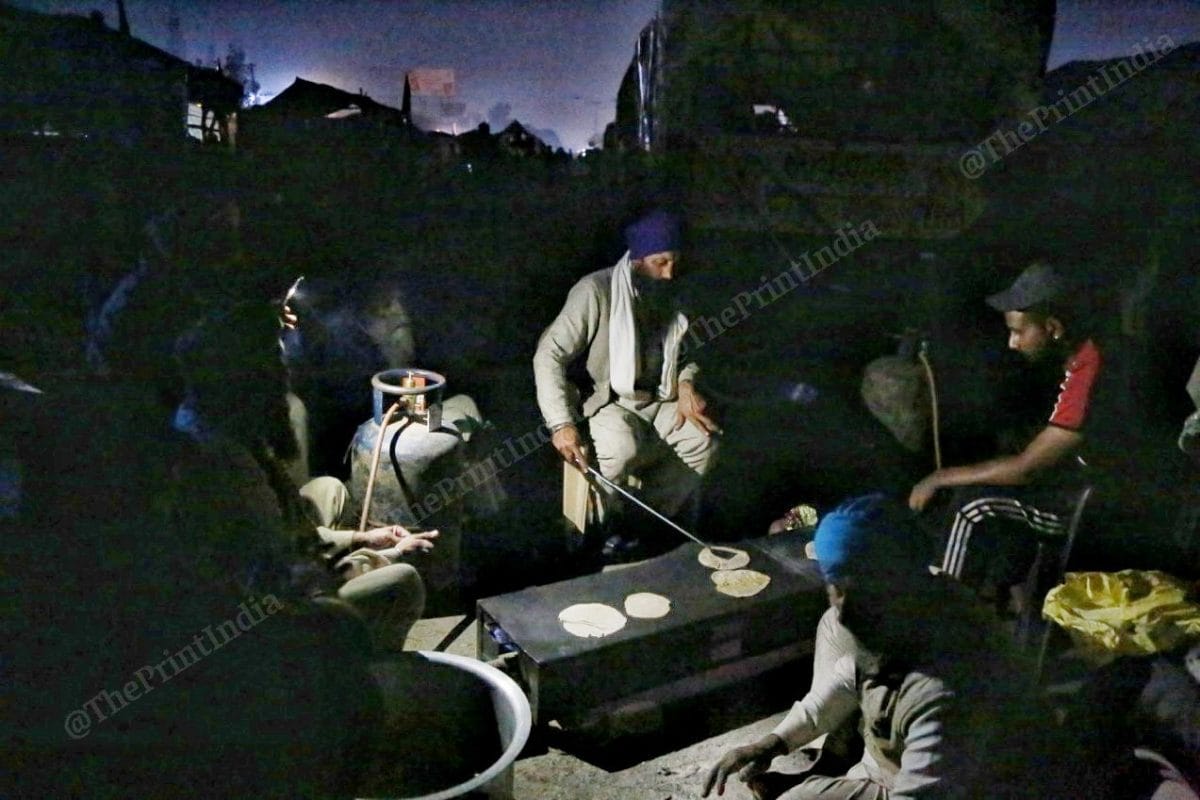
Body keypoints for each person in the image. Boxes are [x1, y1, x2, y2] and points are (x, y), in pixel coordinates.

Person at [703, 494, 1052, 800]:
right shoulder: (914, 595)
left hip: (949, 784)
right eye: (835, 585)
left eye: (855, 590)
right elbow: (846, 677)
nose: (843, 603)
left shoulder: (941, 686)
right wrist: (773, 743)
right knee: (832, 626)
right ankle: (835, 763)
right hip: (901, 751)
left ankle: (851, 774)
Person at [533, 209, 719, 557]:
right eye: (660, 263)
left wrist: (687, 385)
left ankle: (645, 526)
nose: (669, 273)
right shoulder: (596, 290)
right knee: (620, 450)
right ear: (637, 261)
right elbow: (549, 354)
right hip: (609, 400)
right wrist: (561, 424)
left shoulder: (675, 293)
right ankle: (601, 535)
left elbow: (691, 353)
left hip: (660, 398)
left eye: (675, 262)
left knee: (702, 442)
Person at [908, 261, 1104, 590]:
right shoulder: (1083, 357)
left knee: (972, 506)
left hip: (1095, 506)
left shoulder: (1092, 371)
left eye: (1018, 331)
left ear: (1053, 327)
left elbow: (1025, 469)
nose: (1012, 343)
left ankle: (945, 614)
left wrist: (940, 477)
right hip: (1083, 487)